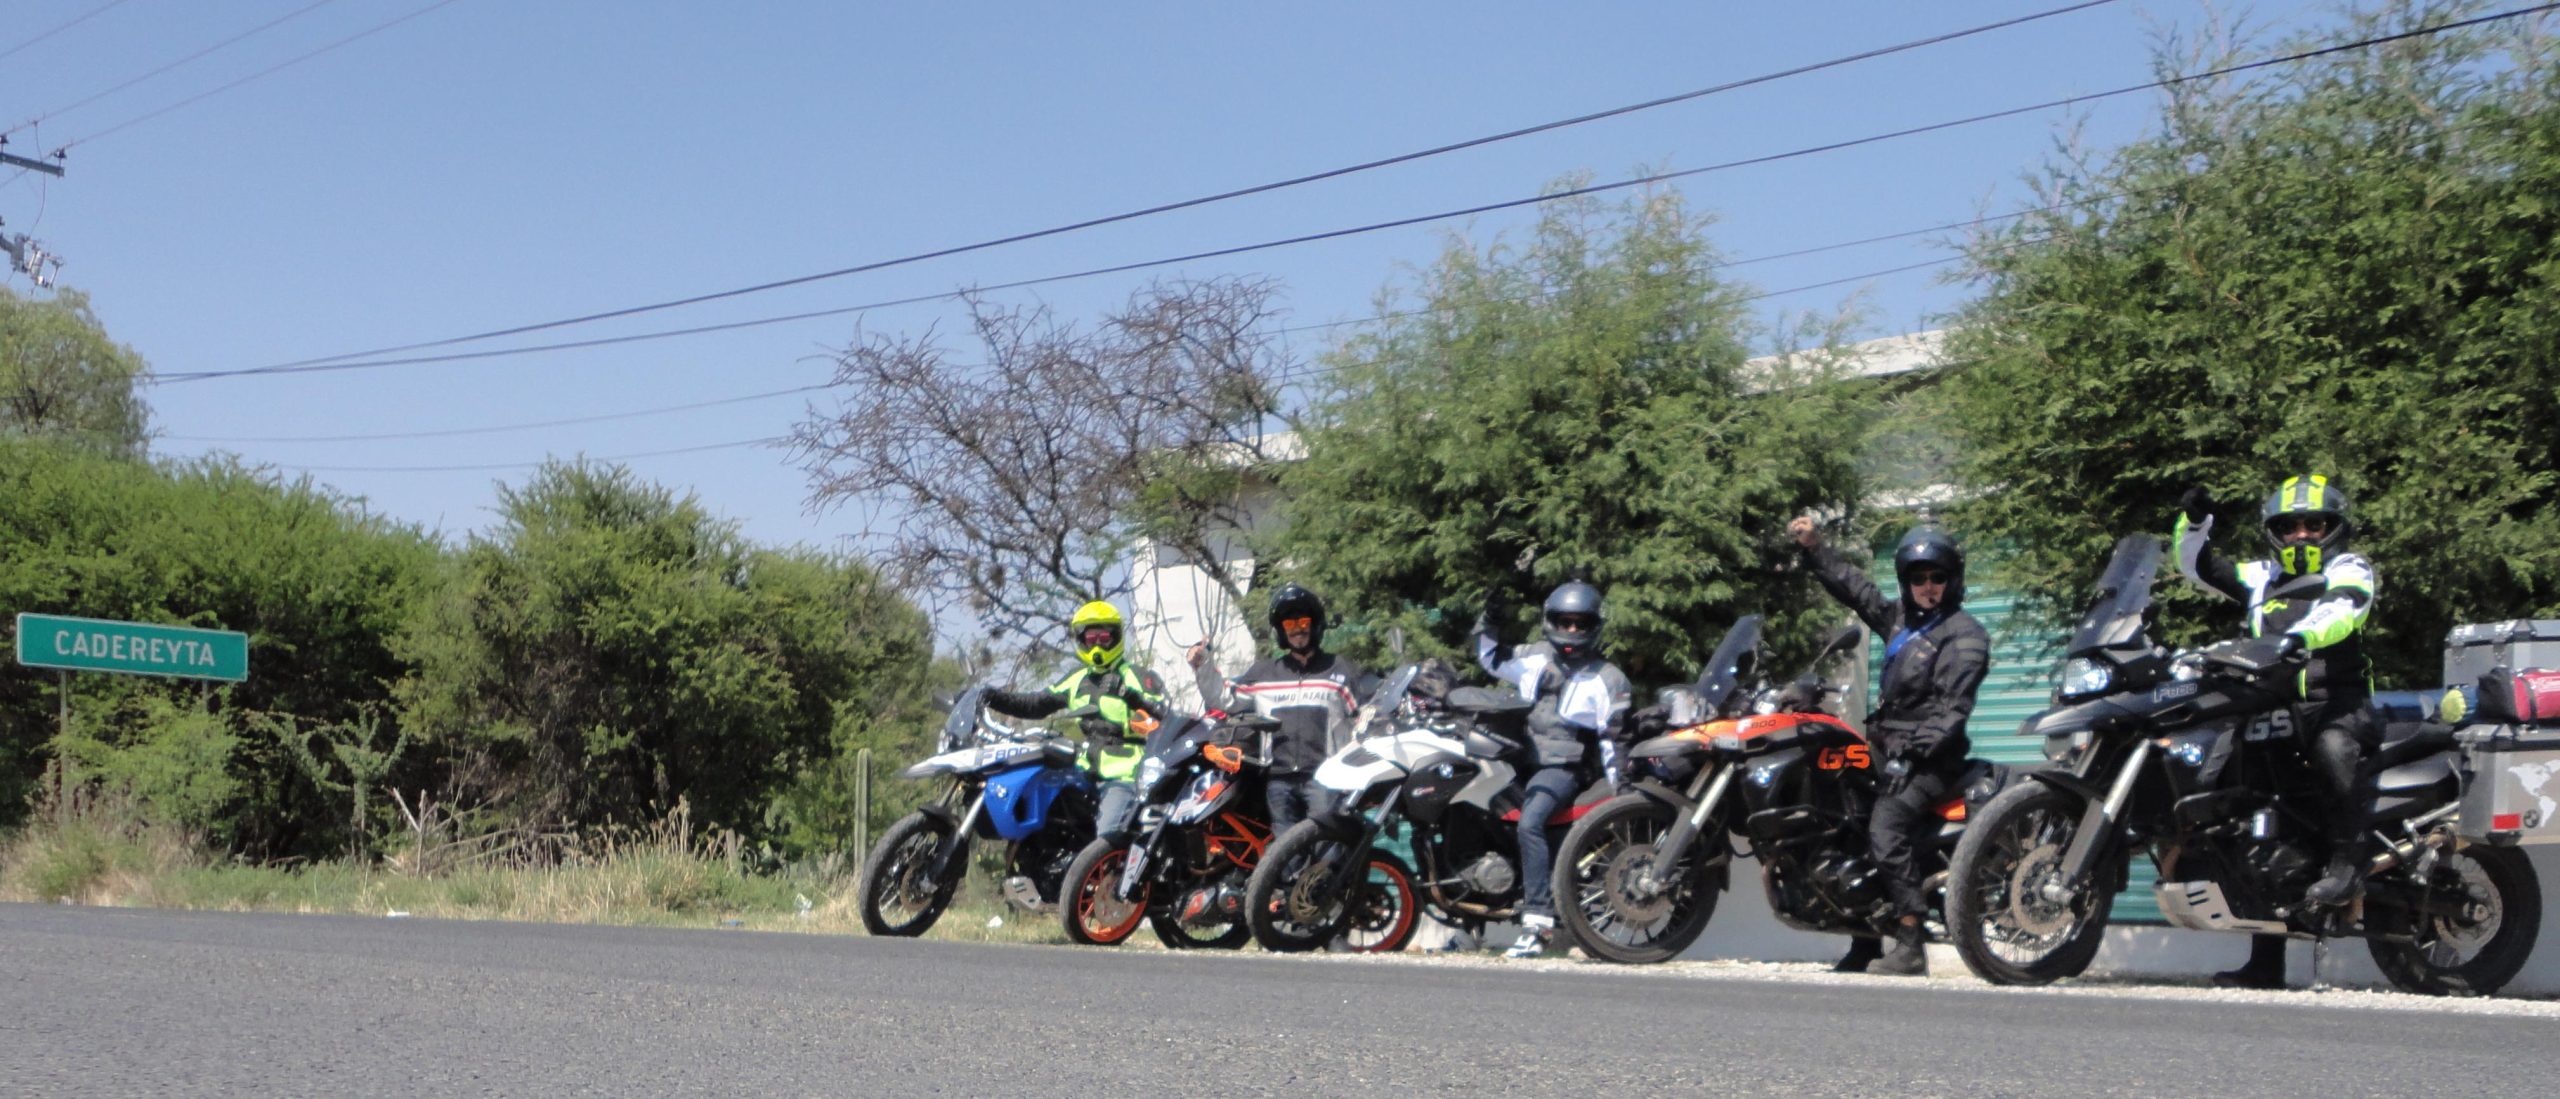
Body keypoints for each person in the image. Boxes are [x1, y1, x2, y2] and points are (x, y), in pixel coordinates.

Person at [2173, 474, 2379, 989]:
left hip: (2337, 707)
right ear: (2276, 533)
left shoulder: (2349, 567)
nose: (2303, 534)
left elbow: (2342, 611)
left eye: (2315, 524)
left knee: (2334, 750)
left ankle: (2350, 863)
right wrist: (2195, 523)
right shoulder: (2261, 576)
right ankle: (2264, 961)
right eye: (2291, 526)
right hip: (2271, 710)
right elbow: (2196, 566)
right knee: (2252, 811)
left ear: (2334, 528)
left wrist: (2296, 639)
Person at [1790, 516, 1990, 977]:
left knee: (1885, 829)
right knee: (1846, 827)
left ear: (1952, 579)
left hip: (1931, 760)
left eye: (1936, 577)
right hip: (1883, 746)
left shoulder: (1966, 636)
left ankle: (1910, 941)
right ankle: (1863, 941)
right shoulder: (1899, 621)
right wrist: (1814, 547)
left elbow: (1950, 709)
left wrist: (1913, 755)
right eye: (1917, 578)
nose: (1927, 587)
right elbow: (1855, 589)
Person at [1473, 579, 1632, 959]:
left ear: (1594, 626)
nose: (1571, 631)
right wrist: (1491, 618)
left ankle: (1538, 923)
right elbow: (1489, 658)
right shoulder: (1534, 656)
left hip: (1562, 768)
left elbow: (1614, 741)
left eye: (1580, 623)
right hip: (1519, 761)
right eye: (1564, 622)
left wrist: (1622, 794)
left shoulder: (1608, 678)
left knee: (1531, 823)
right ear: (1551, 621)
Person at [1187, 582, 1371, 837]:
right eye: (1289, 625)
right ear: (1281, 631)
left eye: (1303, 622)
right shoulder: (1264, 673)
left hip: (1325, 778)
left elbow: (1363, 719)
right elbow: (1224, 698)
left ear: (1315, 624)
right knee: (1283, 861)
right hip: (1279, 780)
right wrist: (1203, 665)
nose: (1297, 630)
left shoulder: (1339, 670)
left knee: (1327, 850)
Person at [983, 600, 1168, 838]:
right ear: (1081, 640)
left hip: (1124, 774)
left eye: (1104, 638)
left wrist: (1130, 696)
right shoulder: (1077, 678)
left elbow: (1162, 716)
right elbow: (1035, 705)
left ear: (1116, 636)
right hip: (1081, 773)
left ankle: (1108, 872)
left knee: (1105, 837)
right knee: (1042, 804)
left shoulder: (1138, 676)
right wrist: (991, 697)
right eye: (1091, 639)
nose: (1098, 645)